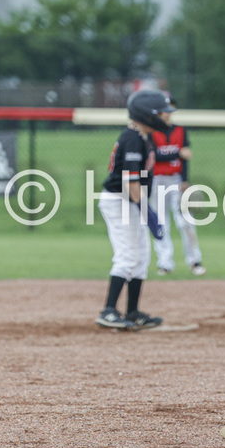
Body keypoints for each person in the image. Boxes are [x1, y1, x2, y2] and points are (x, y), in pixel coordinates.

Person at [95, 90, 170, 331]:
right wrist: (148, 212)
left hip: (132, 201)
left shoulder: (143, 136)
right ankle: (108, 311)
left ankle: (133, 312)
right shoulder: (133, 139)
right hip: (120, 200)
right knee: (127, 255)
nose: (167, 117)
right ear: (148, 115)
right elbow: (131, 183)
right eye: (162, 113)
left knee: (142, 256)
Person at [149, 95, 206, 276]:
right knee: (160, 222)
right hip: (157, 180)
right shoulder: (150, 131)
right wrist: (178, 153)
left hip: (175, 180)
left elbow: (186, 158)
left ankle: (195, 261)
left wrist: (184, 180)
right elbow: (154, 156)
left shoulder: (180, 130)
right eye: (164, 111)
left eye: (169, 110)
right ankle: (165, 263)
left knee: (186, 221)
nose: (167, 114)